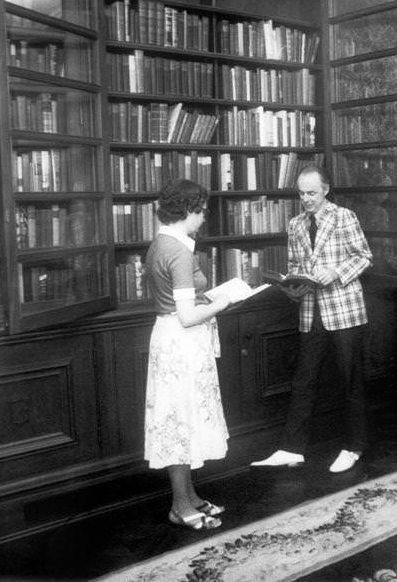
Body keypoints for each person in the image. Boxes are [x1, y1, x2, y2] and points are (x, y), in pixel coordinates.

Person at [251, 164, 373, 473]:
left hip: (344, 310)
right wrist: (292, 289)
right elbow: (295, 264)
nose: (306, 199)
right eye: (301, 193)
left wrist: (335, 272)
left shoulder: (344, 217)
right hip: (310, 311)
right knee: (304, 380)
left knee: (349, 380)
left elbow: (363, 257)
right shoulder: (295, 224)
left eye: (312, 193)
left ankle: (353, 446)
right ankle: (292, 448)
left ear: (326, 190)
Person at [144, 178, 232, 529]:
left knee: (182, 421)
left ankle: (190, 496)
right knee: (179, 424)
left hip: (170, 340)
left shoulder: (162, 241)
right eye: (202, 210)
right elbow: (186, 315)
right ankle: (180, 505)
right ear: (190, 210)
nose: (204, 217)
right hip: (180, 344)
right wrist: (223, 302)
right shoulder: (179, 249)